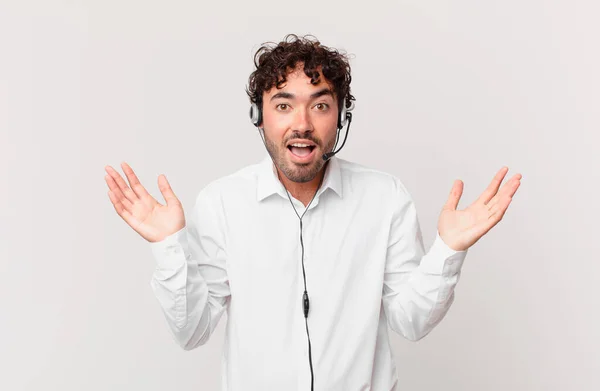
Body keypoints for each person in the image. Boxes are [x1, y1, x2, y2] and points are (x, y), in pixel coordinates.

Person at [104, 34, 522, 391]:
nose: (301, 123)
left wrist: (448, 250)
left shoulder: (385, 198)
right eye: (283, 105)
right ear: (258, 116)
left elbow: (411, 321)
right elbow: (192, 331)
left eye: (320, 105)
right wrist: (168, 246)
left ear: (340, 117)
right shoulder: (222, 203)